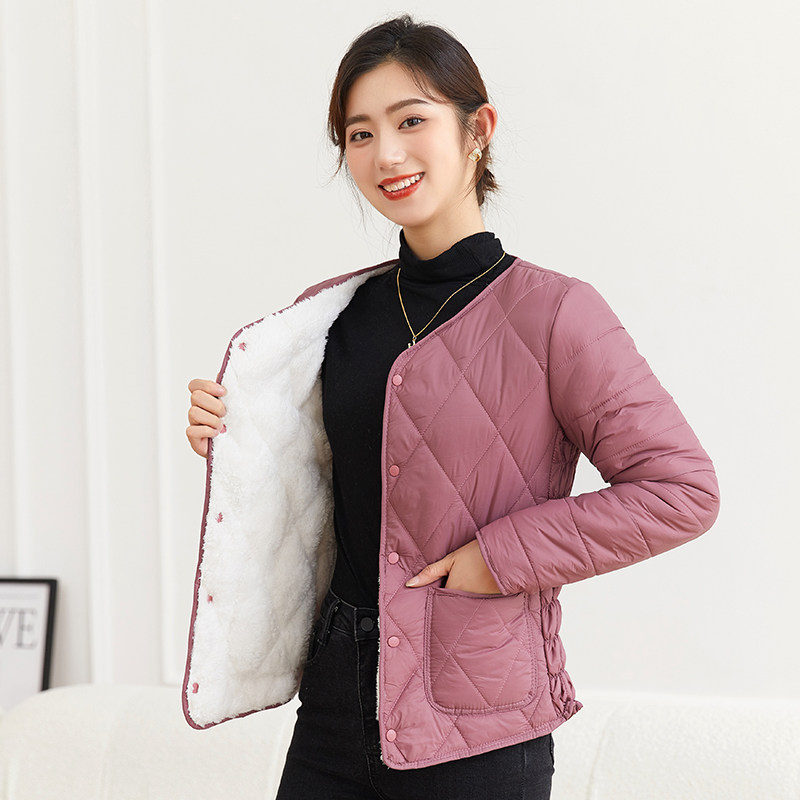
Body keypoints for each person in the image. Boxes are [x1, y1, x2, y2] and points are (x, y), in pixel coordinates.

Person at [182, 14, 719, 800]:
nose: (386, 155)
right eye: (359, 134)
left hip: (480, 726)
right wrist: (234, 437)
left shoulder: (556, 314)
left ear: (478, 130)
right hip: (332, 708)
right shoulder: (327, 319)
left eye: (411, 121)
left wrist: (499, 558)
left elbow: (682, 491)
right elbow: (323, 491)